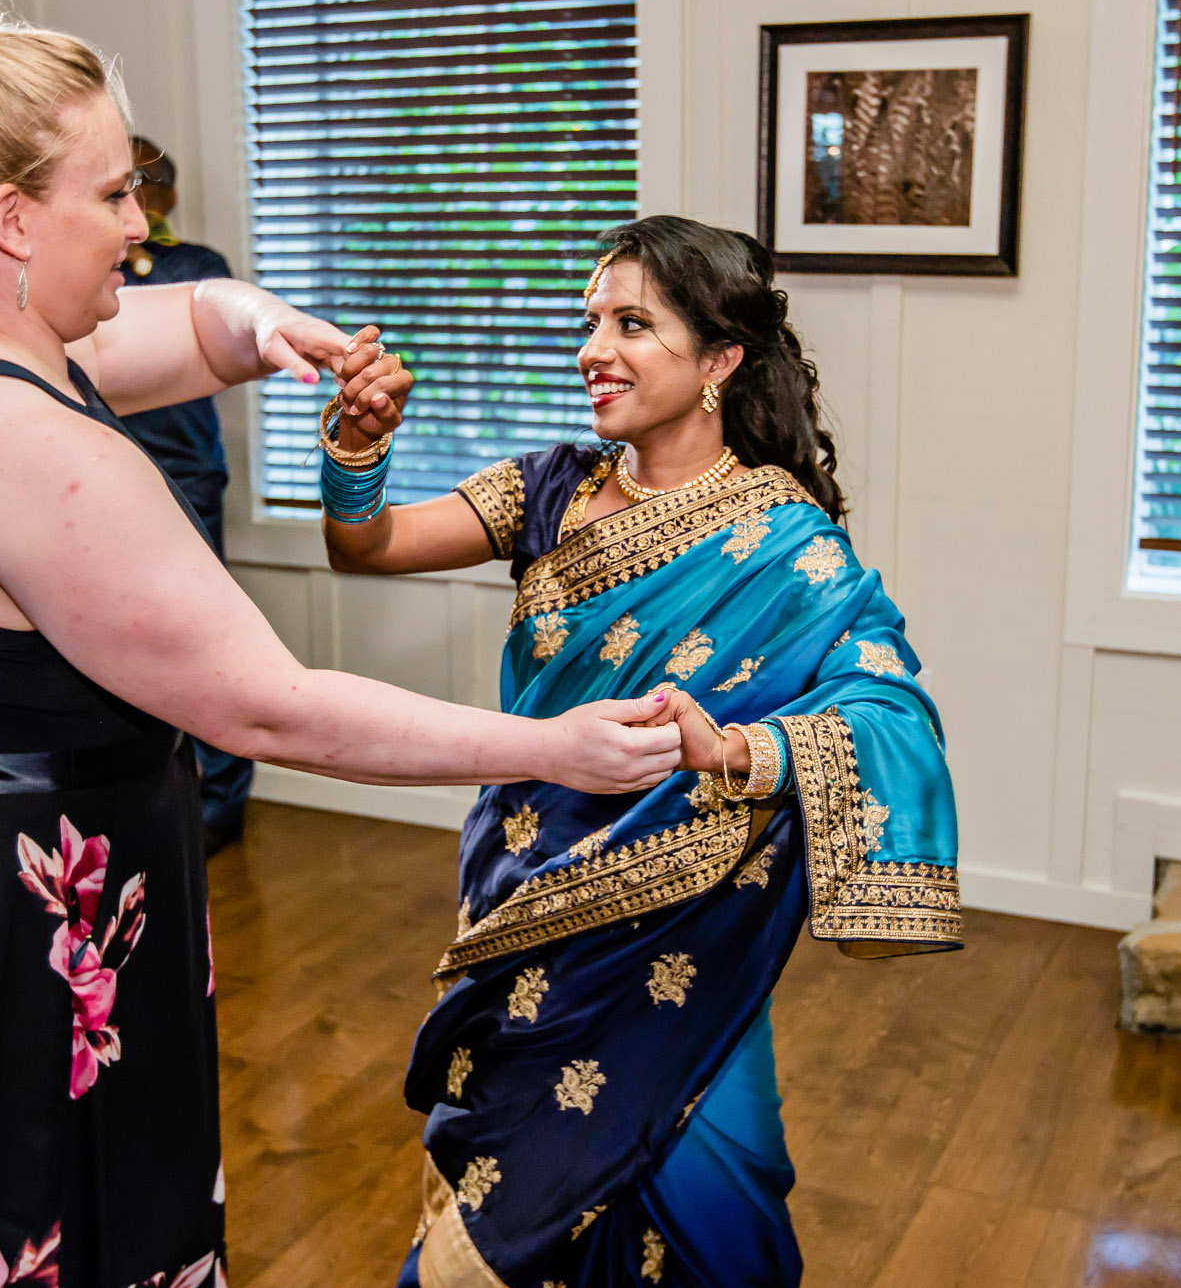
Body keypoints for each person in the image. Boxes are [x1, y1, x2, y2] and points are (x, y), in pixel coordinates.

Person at [0, 0, 682, 1288]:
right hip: (7, 957)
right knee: (25, 1211)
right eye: (113, 195)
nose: (142, 226)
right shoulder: (45, 454)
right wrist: (555, 745)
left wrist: (280, 331)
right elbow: (273, 707)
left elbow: (198, 326)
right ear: (15, 219)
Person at [323, 215, 962, 1287]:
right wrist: (354, 446)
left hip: (682, 939)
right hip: (527, 899)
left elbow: (885, 709)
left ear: (720, 360)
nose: (593, 349)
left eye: (632, 324)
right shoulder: (546, 488)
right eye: (589, 321)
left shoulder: (788, 542)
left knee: (714, 1193)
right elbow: (367, 546)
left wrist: (745, 750)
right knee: (506, 1182)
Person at [116, 135, 250, 853]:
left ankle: (221, 802)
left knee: (205, 635)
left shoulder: (196, 267)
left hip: (187, 476)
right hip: (108, 477)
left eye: (145, 182)